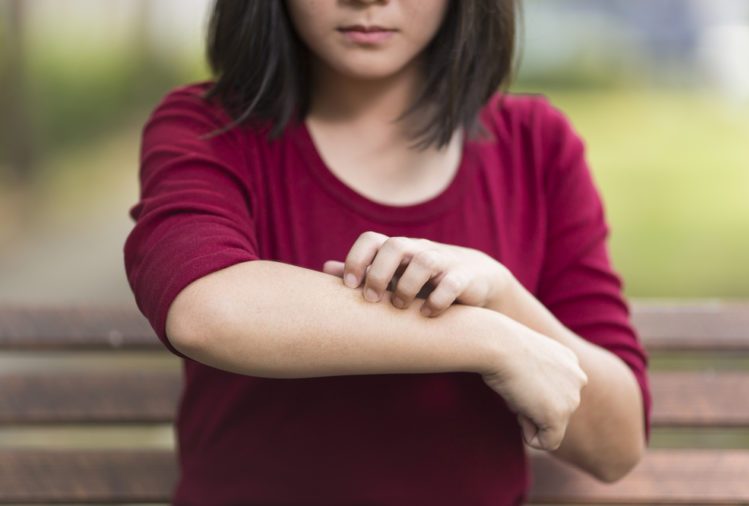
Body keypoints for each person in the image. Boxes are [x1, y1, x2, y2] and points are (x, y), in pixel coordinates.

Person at [123, 0, 652, 504]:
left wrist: (505, 298)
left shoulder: (538, 145)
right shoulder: (207, 127)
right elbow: (207, 311)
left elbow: (618, 446)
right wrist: (488, 339)